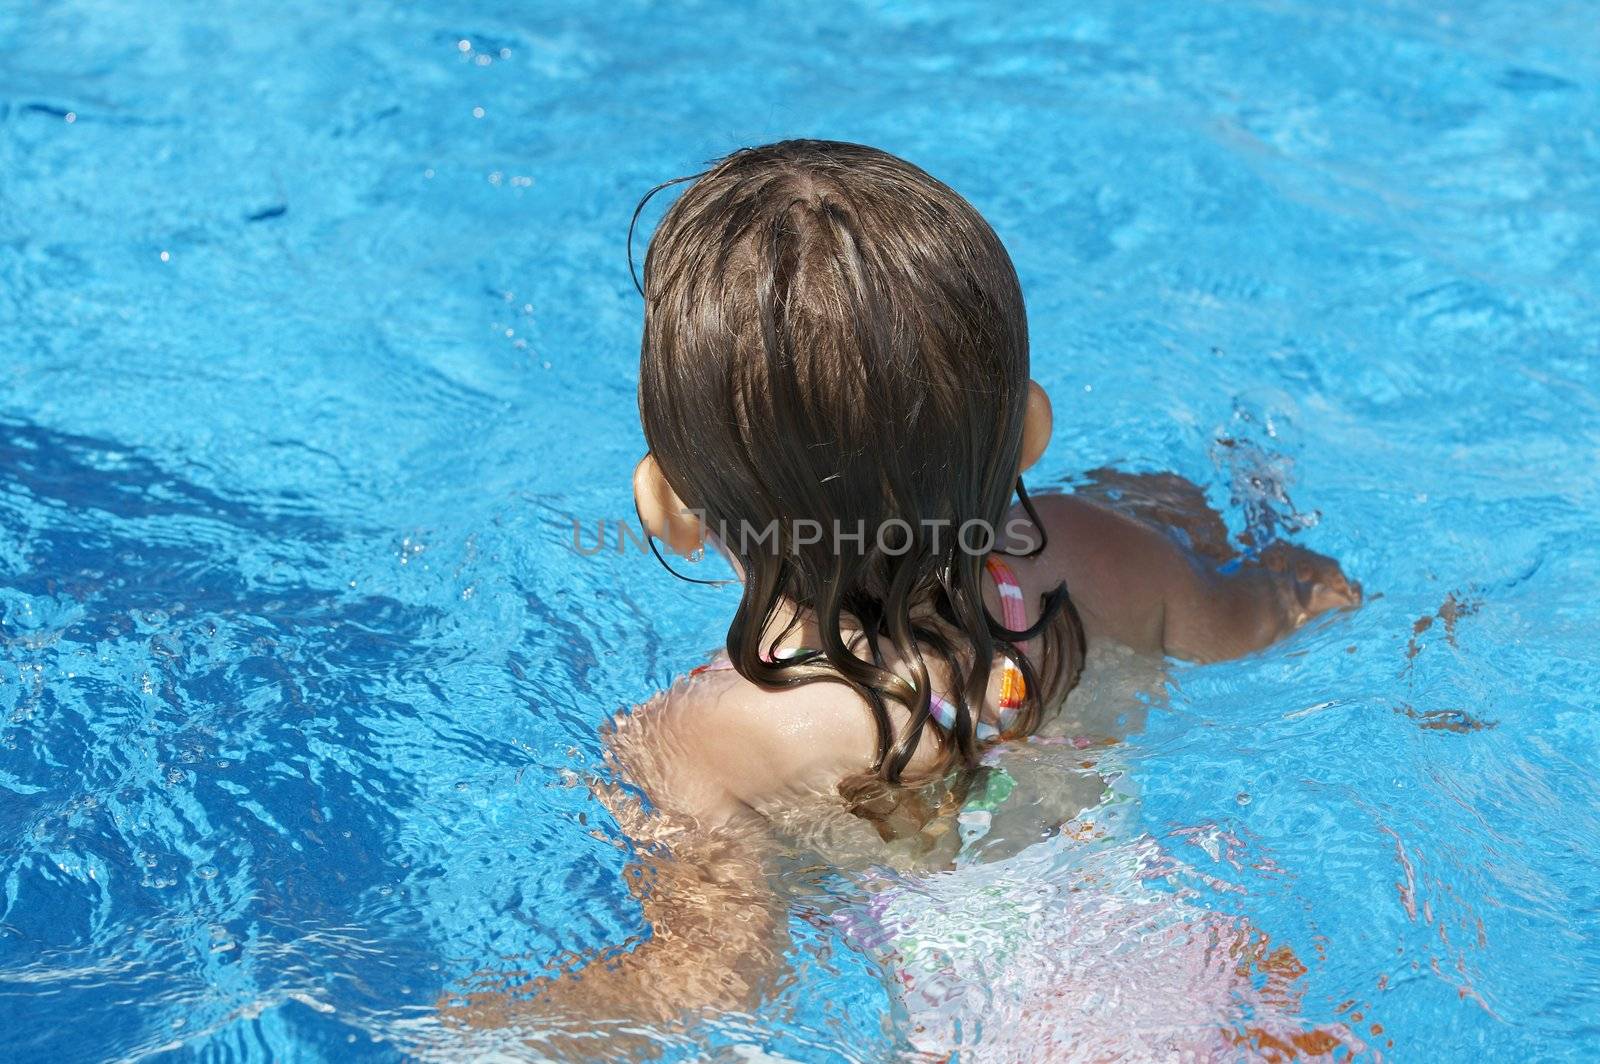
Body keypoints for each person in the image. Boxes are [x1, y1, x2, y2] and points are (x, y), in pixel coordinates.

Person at [446, 139, 1360, 1043]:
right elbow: (1267, 613)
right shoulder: (1100, 556)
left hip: (986, 1033)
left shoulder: (709, 733)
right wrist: (1290, 563)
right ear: (1030, 430)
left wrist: (490, 1023)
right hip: (1206, 964)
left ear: (667, 508)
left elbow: (723, 978)